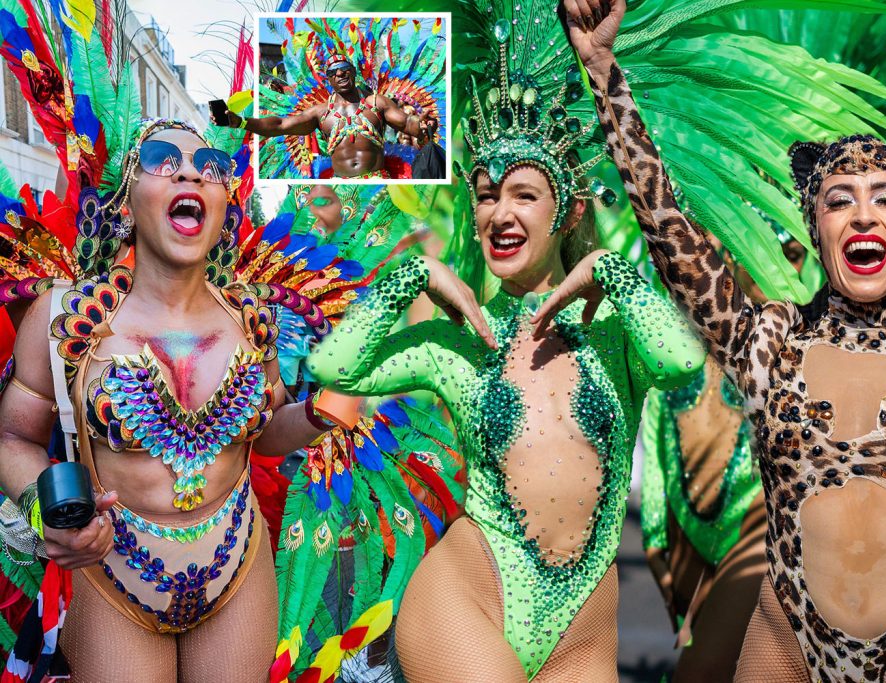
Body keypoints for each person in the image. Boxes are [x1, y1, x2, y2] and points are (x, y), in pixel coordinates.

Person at [568, 1, 886, 679]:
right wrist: (604, 73)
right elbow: (669, 232)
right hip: (786, 653)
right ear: (815, 226)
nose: (863, 214)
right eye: (840, 200)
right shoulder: (769, 350)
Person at [304, 9, 706, 680]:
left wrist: (611, 270)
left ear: (569, 213)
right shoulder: (458, 342)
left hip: (582, 630)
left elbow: (682, 359)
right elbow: (332, 365)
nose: (501, 213)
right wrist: (411, 276)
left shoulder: (615, 334)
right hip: (469, 594)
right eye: (488, 196)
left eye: (525, 194)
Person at [0, 120, 333, 681]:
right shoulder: (64, 318)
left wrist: (323, 412)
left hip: (237, 570)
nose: (190, 174)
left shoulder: (253, 319)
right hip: (110, 576)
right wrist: (45, 513)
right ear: (127, 205)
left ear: (223, 209)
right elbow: (13, 437)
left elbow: (268, 433)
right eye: (161, 160)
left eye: (210, 167)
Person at [641, 232, 806, 682]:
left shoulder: (802, 342)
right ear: (733, 252)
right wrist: (654, 535)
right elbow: (657, 416)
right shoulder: (682, 334)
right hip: (684, 527)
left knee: (704, 670)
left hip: (755, 526)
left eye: (793, 256)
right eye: (764, 250)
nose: (779, 269)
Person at [230, 56, 435, 179]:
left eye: (345, 70)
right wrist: (241, 122)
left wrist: (423, 125)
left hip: (378, 182)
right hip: (340, 188)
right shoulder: (320, 113)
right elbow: (281, 125)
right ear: (329, 79)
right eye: (334, 73)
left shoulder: (376, 103)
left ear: (353, 73)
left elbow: (408, 123)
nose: (340, 75)